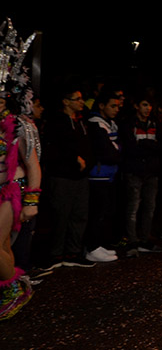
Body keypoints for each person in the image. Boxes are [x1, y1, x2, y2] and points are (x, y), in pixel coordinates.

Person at [0, 21, 42, 319]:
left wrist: (31, 201)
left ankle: (16, 288)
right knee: (2, 246)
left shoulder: (20, 126)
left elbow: (33, 166)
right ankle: (7, 291)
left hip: (8, 194)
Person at [42, 84, 94, 268]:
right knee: (60, 215)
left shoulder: (81, 121)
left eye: (81, 99)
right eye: (77, 99)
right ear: (65, 101)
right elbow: (53, 149)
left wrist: (88, 162)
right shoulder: (57, 122)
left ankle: (73, 252)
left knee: (79, 215)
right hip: (62, 176)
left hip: (81, 176)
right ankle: (55, 254)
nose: (81, 102)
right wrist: (74, 158)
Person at [120, 90, 162, 255]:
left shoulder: (155, 123)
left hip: (151, 171)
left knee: (149, 207)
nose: (148, 108)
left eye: (150, 105)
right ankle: (133, 240)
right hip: (135, 171)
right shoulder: (129, 124)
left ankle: (144, 239)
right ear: (137, 106)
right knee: (133, 207)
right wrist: (150, 146)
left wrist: (144, 144)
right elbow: (130, 148)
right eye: (145, 105)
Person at [84, 88, 122, 262]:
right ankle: (91, 247)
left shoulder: (110, 123)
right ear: (101, 106)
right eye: (112, 106)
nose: (116, 109)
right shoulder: (95, 123)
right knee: (97, 212)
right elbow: (106, 151)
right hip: (98, 175)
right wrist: (118, 153)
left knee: (106, 211)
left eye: (118, 106)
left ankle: (98, 244)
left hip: (109, 174)